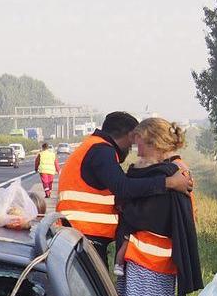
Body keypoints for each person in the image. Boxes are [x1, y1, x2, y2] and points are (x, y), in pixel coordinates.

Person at [116, 117, 202, 296]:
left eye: (138, 138)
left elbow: (140, 215)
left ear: (151, 141)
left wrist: (125, 211)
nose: (134, 144)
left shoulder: (165, 176)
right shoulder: (175, 173)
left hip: (148, 263)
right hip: (159, 265)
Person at [55, 111, 193, 264]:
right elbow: (123, 187)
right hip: (84, 234)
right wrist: (170, 182)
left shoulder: (94, 146)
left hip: (78, 233)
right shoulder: (102, 151)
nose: (133, 148)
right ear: (130, 135)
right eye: (135, 140)